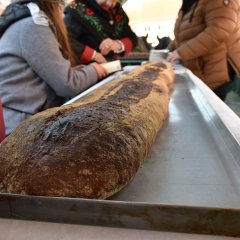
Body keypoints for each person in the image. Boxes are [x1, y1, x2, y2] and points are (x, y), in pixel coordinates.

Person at [0, 0, 107, 135]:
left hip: (24, 121)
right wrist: (94, 70)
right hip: (21, 131)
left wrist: (77, 71)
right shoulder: (33, 25)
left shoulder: (27, 22)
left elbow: (46, 74)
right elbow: (67, 85)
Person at [166, 0, 240, 101]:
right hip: (198, 74)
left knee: (212, 114)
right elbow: (183, 36)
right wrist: (167, 52)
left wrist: (180, 52)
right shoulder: (189, 3)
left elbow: (219, 30)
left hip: (214, 74)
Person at [64, 0, 138, 64]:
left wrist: (117, 44)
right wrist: (93, 55)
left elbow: (132, 37)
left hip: (113, 70)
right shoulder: (77, 9)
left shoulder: (116, 10)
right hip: (87, 75)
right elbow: (64, 39)